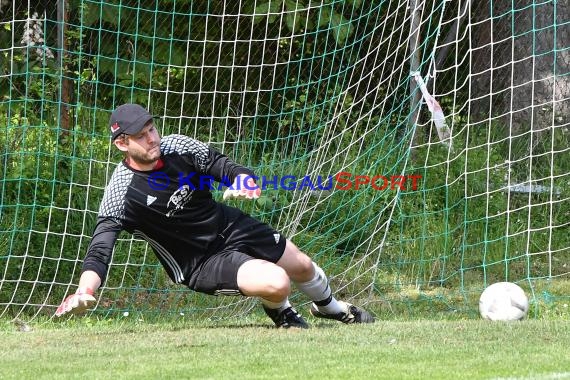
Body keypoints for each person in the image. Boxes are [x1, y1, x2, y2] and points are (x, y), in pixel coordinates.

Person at [55, 103, 375, 328]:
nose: (152, 138)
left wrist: (243, 179)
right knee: (278, 283)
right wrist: (86, 291)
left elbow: (223, 165)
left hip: (228, 224)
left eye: (152, 129)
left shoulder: (177, 146)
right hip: (200, 261)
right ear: (122, 143)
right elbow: (100, 250)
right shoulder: (122, 193)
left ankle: (331, 309)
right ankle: (283, 315)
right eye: (142, 136)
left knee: (302, 266)